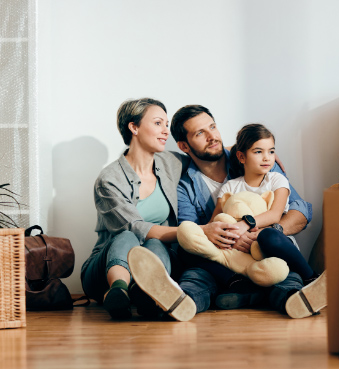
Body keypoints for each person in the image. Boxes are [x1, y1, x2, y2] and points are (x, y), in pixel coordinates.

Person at [81, 98, 239, 321]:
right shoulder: (109, 180)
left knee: (155, 242)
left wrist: (249, 152)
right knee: (128, 235)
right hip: (106, 268)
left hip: (157, 257)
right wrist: (199, 231)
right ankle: (118, 290)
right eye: (158, 123)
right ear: (133, 127)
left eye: (166, 124)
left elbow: (204, 151)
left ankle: (151, 291)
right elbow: (135, 227)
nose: (166, 131)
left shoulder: (169, 163)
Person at [172, 105, 326, 318]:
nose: (212, 137)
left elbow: (300, 213)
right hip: (228, 255)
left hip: (266, 246)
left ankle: (294, 298)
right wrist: (217, 233)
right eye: (200, 133)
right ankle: (179, 302)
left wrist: (261, 233)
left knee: (282, 272)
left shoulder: (262, 161)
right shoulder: (186, 186)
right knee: (190, 261)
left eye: (213, 127)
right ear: (184, 146)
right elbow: (195, 229)